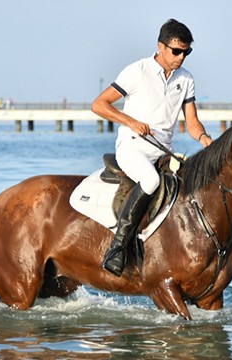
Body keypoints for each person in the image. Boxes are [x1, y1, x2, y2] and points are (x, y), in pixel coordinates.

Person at [91, 18, 213, 277]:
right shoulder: (137, 71)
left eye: (186, 52)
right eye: (176, 51)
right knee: (149, 180)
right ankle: (117, 248)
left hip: (162, 151)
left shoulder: (186, 79)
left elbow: (192, 123)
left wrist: (204, 139)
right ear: (160, 46)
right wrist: (131, 122)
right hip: (132, 147)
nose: (181, 57)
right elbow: (99, 105)